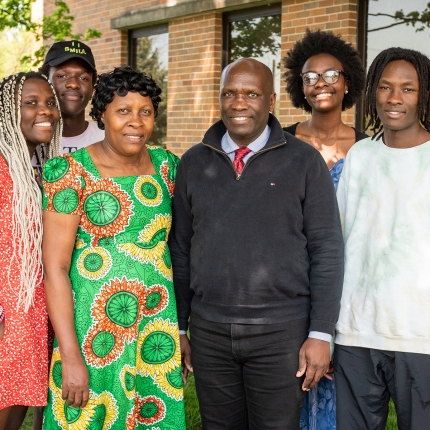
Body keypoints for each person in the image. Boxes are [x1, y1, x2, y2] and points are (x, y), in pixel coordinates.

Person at [169, 58, 344, 429]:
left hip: (282, 332)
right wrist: (181, 328)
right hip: (210, 330)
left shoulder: (304, 162)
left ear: (272, 100)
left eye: (251, 94)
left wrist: (320, 332)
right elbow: (181, 248)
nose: (238, 103)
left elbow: (326, 249)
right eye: (229, 93)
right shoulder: (193, 163)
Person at [41, 66, 186, 429]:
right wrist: (71, 356)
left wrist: (182, 331)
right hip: (94, 334)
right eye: (123, 111)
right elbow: (55, 268)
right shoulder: (70, 171)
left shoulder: (168, 167)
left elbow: (182, 248)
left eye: (145, 111)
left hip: (156, 326)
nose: (135, 121)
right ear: (102, 115)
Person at [334, 47, 430, 430]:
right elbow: (338, 241)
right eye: (386, 86)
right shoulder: (360, 156)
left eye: (408, 88)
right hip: (357, 331)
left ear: (423, 95)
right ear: (372, 90)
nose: (394, 98)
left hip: (420, 336)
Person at [283, 29, 366, 430]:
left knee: (341, 395)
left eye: (331, 74)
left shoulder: (369, 149)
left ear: (347, 80)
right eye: (310, 76)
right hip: (291, 285)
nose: (320, 83)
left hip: (350, 286)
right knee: (289, 386)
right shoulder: (279, 143)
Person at [0, 72, 62, 430]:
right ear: (8, 110)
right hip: (7, 319)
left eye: (50, 103)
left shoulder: (34, 168)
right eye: (31, 103)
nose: (46, 111)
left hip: (32, 317)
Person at [38, 40, 104, 158]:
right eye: (62, 76)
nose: (73, 84)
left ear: (92, 91)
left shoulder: (107, 140)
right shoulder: (25, 142)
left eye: (83, 78)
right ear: (44, 84)